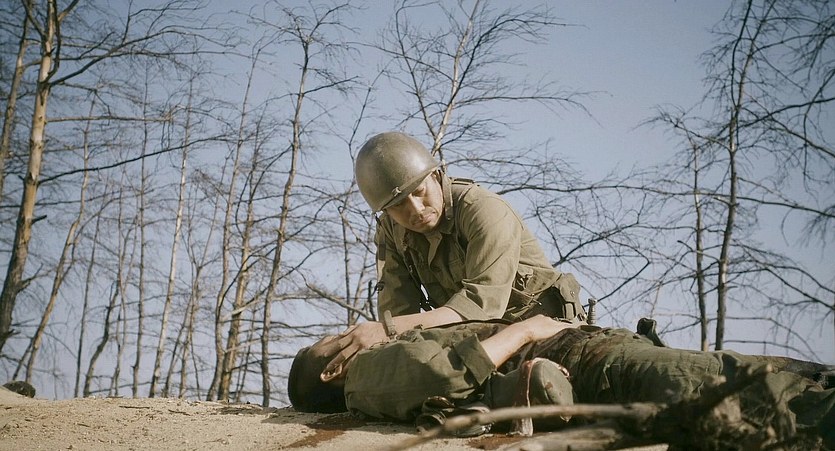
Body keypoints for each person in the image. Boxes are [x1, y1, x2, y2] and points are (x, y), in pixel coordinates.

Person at [288, 315, 835, 448]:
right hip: (595, 366)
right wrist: (529, 328)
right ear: (333, 369)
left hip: (599, 358)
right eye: (332, 340)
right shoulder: (364, 375)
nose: (345, 331)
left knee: (772, 377)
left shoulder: (372, 368)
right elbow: (441, 373)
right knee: (760, 394)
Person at [323, 131, 586, 376]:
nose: (416, 209)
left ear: (436, 176)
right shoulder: (392, 232)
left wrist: (387, 330)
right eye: (399, 204)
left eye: (419, 192)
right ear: (386, 211)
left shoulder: (482, 209)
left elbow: (481, 307)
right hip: (480, 345)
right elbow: (399, 309)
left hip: (552, 338)